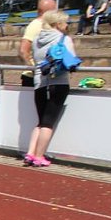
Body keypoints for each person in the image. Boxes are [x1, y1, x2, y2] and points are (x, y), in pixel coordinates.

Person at [24, 10, 77, 167]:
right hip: (58, 82)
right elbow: (71, 59)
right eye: (65, 22)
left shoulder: (37, 39)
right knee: (48, 122)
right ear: (58, 24)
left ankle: (30, 153)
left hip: (39, 82)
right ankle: (39, 156)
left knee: (40, 121)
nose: (67, 25)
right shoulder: (64, 39)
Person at [19, 0, 57, 86]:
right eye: (55, 10)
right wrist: (34, 68)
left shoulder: (49, 25)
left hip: (45, 73)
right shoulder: (35, 25)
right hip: (33, 76)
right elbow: (23, 50)